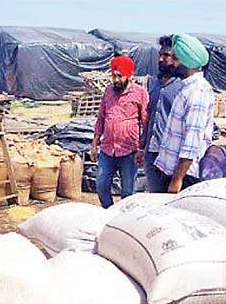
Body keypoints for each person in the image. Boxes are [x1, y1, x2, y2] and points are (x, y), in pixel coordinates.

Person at [154, 34, 215, 193]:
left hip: (183, 176)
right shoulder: (186, 88)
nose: (172, 63)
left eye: (175, 58)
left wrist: (177, 180)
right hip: (171, 170)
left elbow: (192, 141)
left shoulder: (197, 92)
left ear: (187, 62)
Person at [90, 55, 149, 208]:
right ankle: (109, 212)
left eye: (120, 76)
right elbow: (101, 118)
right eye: (113, 76)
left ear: (129, 75)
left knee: (127, 192)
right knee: (101, 185)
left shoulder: (140, 93)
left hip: (129, 151)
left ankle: (122, 218)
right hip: (107, 150)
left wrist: (142, 148)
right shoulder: (108, 91)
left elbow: (145, 122)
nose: (116, 80)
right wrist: (94, 145)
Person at [136, 35, 185, 193]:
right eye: (160, 55)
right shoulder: (155, 84)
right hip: (151, 152)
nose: (161, 59)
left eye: (166, 55)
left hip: (171, 153)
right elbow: (150, 118)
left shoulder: (182, 87)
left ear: (177, 58)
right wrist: (142, 146)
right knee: (155, 196)